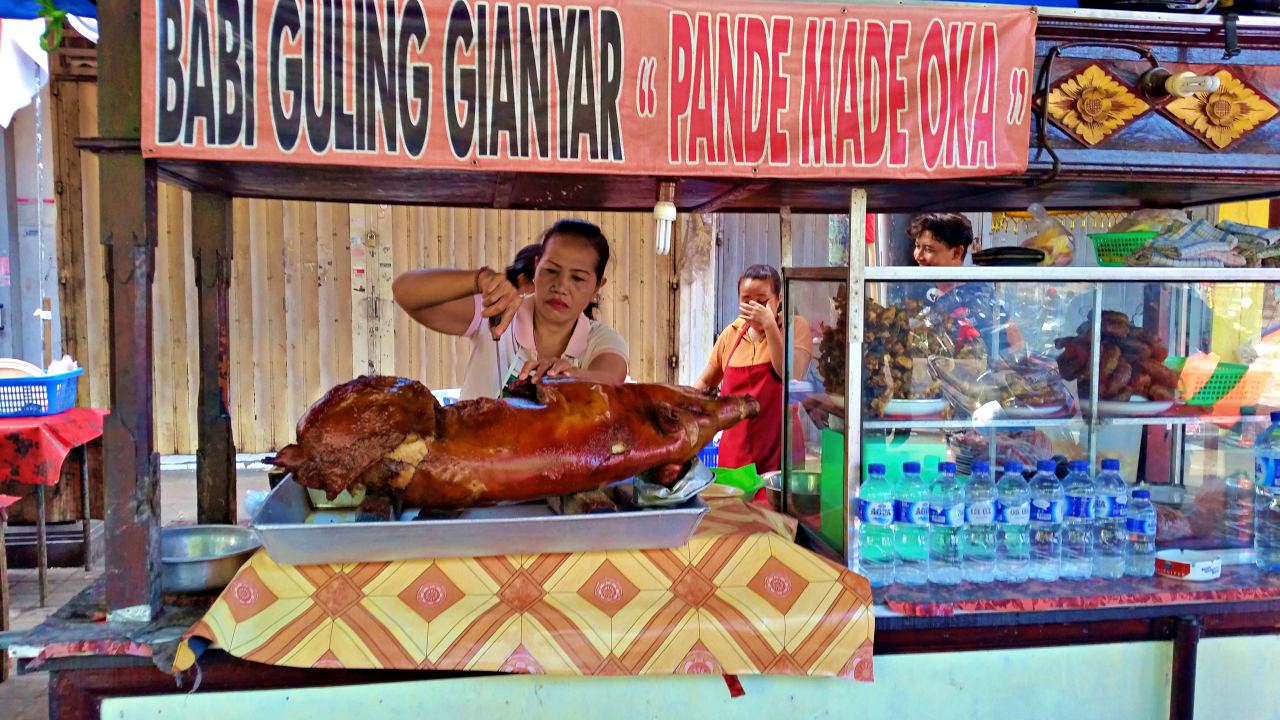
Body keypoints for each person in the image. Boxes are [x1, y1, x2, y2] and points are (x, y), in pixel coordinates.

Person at [393, 219, 628, 399]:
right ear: (536, 267)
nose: (560, 287)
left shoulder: (600, 339)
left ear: (598, 286)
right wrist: (478, 280)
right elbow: (404, 291)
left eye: (577, 278)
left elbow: (611, 379)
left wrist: (569, 376)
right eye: (551, 270)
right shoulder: (498, 312)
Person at [694, 264, 811, 474]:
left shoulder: (795, 327)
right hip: (735, 455)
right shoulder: (731, 333)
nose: (755, 308)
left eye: (762, 302)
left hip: (779, 455)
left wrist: (769, 325)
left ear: (779, 298)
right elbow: (704, 383)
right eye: (746, 301)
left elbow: (789, 374)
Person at [908, 212, 1021, 355]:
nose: (918, 256)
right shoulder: (916, 289)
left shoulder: (980, 296)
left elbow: (1015, 343)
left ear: (956, 253)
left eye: (929, 249)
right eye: (917, 246)